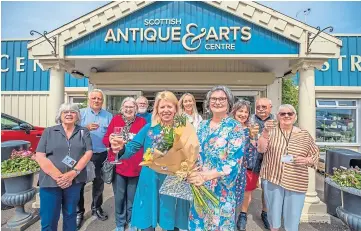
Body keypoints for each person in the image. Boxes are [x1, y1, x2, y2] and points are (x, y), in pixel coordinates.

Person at [110, 91, 190, 231]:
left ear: (176, 109)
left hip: (172, 179)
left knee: (171, 219)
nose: (165, 110)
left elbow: (189, 153)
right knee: (147, 218)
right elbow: (132, 147)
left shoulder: (183, 129)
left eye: (169, 107)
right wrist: (121, 148)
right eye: (162, 107)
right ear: (157, 109)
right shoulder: (149, 128)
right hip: (150, 178)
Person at [187, 86, 246, 231]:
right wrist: (189, 169)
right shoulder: (202, 126)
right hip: (199, 189)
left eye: (222, 99)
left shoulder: (235, 128)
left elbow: (233, 163)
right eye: (214, 99)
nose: (217, 102)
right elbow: (193, 153)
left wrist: (206, 176)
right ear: (208, 103)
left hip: (221, 192)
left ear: (229, 103)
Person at [258, 104, 319, 231]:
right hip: (273, 177)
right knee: (273, 216)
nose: (286, 116)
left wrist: (307, 160)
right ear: (277, 116)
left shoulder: (304, 134)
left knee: (293, 216)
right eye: (282, 113)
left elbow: (315, 153)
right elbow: (261, 149)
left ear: (295, 117)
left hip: (296, 180)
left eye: (290, 113)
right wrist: (264, 132)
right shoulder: (271, 131)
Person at [35, 103, 93, 231]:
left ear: (77, 115)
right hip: (50, 181)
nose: (69, 114)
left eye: (72, 112)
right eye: (65, 112)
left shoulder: (83, 131)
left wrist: (72, 173)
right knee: (49, 218)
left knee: (70, 215)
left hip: (75, 181)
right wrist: (60, 177)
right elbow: (40, 155)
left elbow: (88, 153)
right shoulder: (49, 131)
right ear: (60, 115)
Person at [102, 97, 147, 231]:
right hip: (119, 164)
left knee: (132, 198)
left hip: (135, 166)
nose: (128, 109)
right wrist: (110, 140)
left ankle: (132, 221)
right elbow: (106, 140)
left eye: (131, 107)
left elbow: (145, 142)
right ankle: (120, 223)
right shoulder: (116, 120)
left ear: (136, 109)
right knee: (119, 197)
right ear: (122, 109)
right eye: (126, 107)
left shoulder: (142, 122)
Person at [236, 97, 275, 230]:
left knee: (268, 189)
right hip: (251, 161)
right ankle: (243, 214)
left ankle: (265, 213)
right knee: (248, 189)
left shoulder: (277, 121)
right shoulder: (249, 119)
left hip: (271, 161)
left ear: (270, 107)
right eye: (258, 107)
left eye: (264, 107)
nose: (261, 109)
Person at [77, 89, 113, 229]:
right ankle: (79, 212)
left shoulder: (108, 116)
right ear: (89, 99)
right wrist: (85, 128)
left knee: (99, 184)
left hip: (100, 154)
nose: (97, 101)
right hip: (82, 154)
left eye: (99, 99)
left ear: (102, 101)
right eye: (94, 98)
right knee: (79, 184)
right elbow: (70, 130)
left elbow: (111, 134)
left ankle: (96, 208)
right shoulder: (80, 114)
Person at [231, 100, 259, 224]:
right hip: (229, 168)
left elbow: (254, 151)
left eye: (246, 112)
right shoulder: (228, 126)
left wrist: (253, 137)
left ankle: (240, 216)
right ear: (234, 112)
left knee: (243, 194)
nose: (243, 114)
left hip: (244, 167)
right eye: (240, 111)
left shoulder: (250, 129)